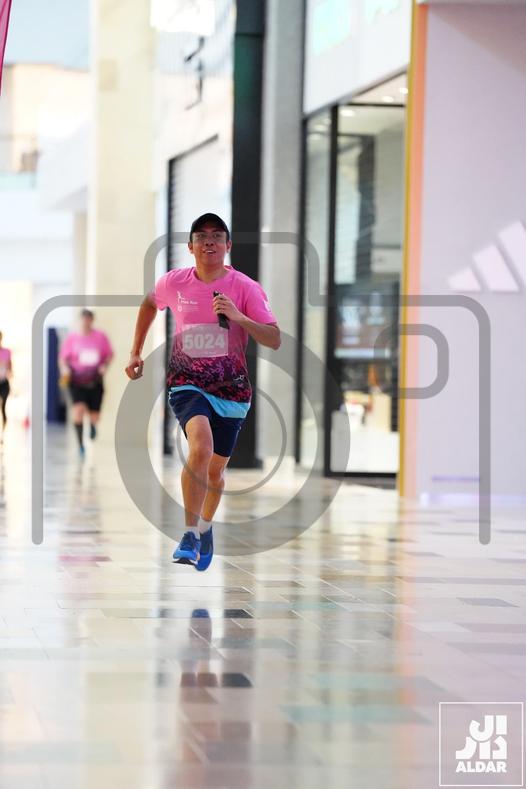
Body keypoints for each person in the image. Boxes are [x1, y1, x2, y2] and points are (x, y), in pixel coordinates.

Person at [125, 212, 280, 570]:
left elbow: (274, 339)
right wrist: (135, 350)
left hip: (231, 391)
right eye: (201, 236)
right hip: (187, 382)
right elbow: (149, 303)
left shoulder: (246, 287)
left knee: (215, 473)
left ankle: (206, 528)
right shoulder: (174, 282)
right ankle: (189, 534)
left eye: (217, 235)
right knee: (201, 446)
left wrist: (239, 317)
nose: (209, 241)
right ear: (190, 246)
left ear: (228, 245)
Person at [59, 309, 113, 457]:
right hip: (76, 381)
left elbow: (109, 355)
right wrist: (64, 369)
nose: (86, 322)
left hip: (95, 380)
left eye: (89, 319)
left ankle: (93, 425)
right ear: (80, 320)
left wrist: (105, 366)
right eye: (83, 319)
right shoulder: (72, 338)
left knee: (94, 415)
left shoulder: (100, 337)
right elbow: (63, 359)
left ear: (92, 320)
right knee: (78, 410)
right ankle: (80, 445)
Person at [0, 332, 12, 440]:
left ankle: (3, 434)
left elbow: (10, 367)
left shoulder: (7, 352)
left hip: (4, 383)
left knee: (3, 407)